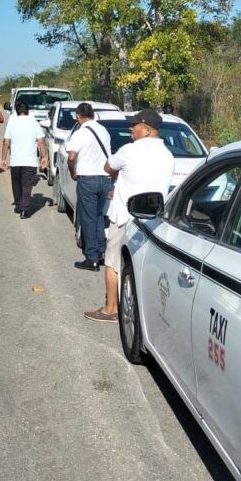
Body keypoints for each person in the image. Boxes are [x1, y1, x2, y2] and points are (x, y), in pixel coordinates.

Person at [84, 108, 174, 322]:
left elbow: (108, 167)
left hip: (125, 216)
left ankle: (110, 308)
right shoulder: (168, 156)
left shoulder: (129, 151)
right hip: (152, 221)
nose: (131, 128)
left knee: (113, 262)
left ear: (148, 130)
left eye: (135, 125)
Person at [67, 102, 112, 271]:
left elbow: (71, 157)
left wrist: (73, 171)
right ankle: (101, 252)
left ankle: (91, 258)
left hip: (88, 179)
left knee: (87, 218)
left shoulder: (80, 133)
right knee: (99, 216)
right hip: (105, 179)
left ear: (78, 116)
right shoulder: (103, 131)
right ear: (93, 115)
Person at [1, 101, 48, 219]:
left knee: (16, 184)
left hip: (15, 160)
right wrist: (44, 157)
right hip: (30, 161)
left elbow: (6, 142)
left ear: (17, 111)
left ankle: (18, 205)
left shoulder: (12, 123)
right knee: (27, 186)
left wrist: (3, 159)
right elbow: (41, 142)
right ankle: (24, 209)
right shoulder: (34, 123)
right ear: (28, 111)